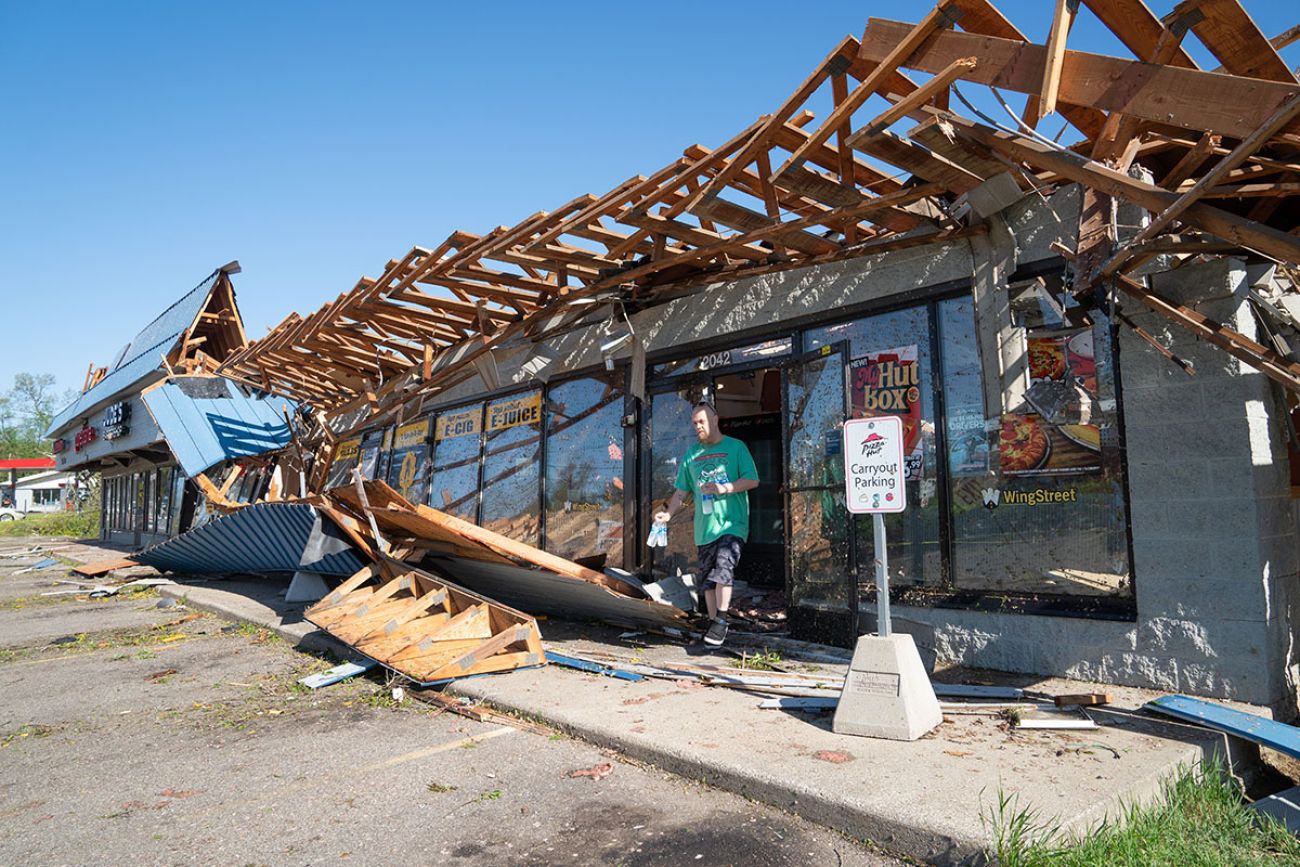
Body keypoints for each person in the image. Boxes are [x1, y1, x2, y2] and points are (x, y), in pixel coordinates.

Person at [654, 402, 758, 646]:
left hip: (732, 523)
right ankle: (714, 626)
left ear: (715, 420)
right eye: (694, 423)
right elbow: (681, 492)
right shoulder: (692, 454)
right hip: (705, 528)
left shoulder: (736, 447)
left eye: (701, 421)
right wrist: (668, 514)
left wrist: (725, 488)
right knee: (709, 580)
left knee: (724, 567)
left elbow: (752, 480)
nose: (697, 426)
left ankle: (721, 620)